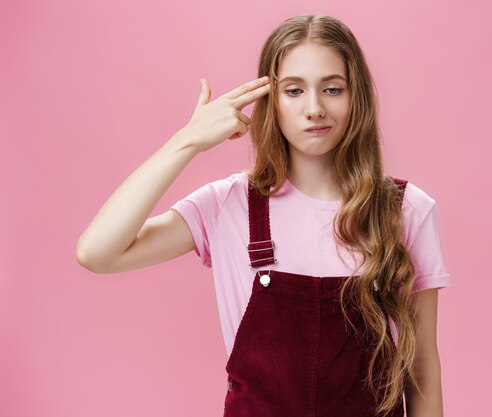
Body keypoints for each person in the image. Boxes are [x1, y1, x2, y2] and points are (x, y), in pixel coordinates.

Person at [76, 14, 452, 417]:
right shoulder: (227, 205)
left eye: (332, 88)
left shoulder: (406, 209)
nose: (314, 108)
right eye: (293, 90)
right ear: (270, 101)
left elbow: (422, 364)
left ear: (355, 95)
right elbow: (98, 252)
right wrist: (187, 141)